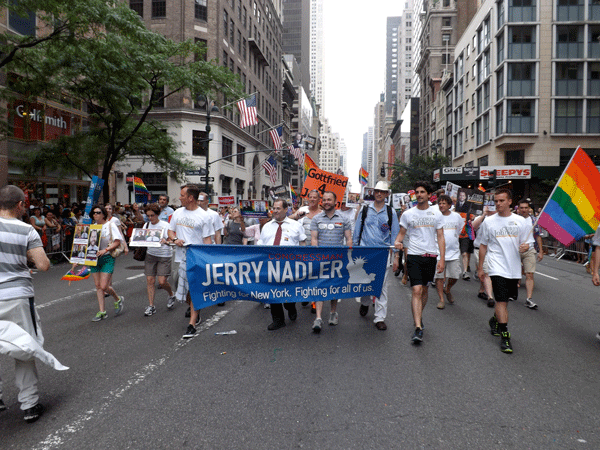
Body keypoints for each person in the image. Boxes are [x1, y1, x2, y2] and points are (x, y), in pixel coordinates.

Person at [0, 185, 51, 422]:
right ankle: (29, 404)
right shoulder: (26, 230)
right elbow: (43, 265)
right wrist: (24, 260)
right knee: (24, 347)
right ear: (20, 205)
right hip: (17, 295)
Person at [477, 189, 529, 353]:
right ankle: (505, 337)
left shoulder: (521, 221)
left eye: (501, 201)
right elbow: (483, 245)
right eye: (496, 201)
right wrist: (480, 267)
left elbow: (528, 243)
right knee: (500, 300)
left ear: (509, 202)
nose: (498, 204)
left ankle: (495, 320)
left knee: (505, 301)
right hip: (495, 265)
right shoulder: (489, 221)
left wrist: (526, 246)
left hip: (513, 267)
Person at [395, 181, 445, 343]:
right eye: (417, 192)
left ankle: (419, 316)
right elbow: (401, 234)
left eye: (422, 192)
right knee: (416, 290)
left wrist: (442, 259)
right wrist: (397, 245)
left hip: (430, 256)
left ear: (429, 195)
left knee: (424, 290)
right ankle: (418, 327)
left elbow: (440, 236)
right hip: (414, 255)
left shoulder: (436, 213)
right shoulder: (408, 214)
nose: (419, 194)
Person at [167, 184, 214, 339]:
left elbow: (207, 239)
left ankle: (192, 323)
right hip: (179, 257)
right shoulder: (177, 213)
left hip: (195, 258)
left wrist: (208, 259)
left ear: (190, 198)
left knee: (193, 289)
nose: (179, 198)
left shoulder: (204, 216)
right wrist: (174, 239)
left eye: (182, 195)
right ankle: (196, 307)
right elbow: (170, 230)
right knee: (178, 287)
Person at [353, 181, 400, 331]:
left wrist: (396, 257)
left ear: (387, 194)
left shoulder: (391, 212)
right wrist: (354, 250)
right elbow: (357, 230)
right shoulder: (365, 210)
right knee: (366, 282)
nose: (379, 193)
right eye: (377, 191)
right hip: (365, 252)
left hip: (383, 253)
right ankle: (365, 302)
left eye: (382, 191)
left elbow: (395, 236)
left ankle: (380, 317)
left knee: (381, 285)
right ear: (373, 192)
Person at [257, 199, 306, 330]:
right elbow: (260, 245)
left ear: (286, 209)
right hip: (270, 265)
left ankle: (291, 306)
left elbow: (302, 244)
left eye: (278, 208)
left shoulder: (295, 225)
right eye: (274, 208)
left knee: (288, 292)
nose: (276, 211)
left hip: (289, 266)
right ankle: (278, 320)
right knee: (273, 292)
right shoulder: (267, 226)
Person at [310, 191, 352, 332]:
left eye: (329, 199)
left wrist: (347, 256)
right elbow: (314, 239)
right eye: (325, 199)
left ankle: (333, 313)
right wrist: (316, 256)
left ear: (335, 202)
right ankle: (318, 318)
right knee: (320, 286)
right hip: (321, 259)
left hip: (338, 260)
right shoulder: (316, 219)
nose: (326, 202)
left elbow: (348, 239)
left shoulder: (344, 218)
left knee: (334, 287)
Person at [89, 205, 125, 322]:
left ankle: (117, 299)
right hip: (94, 259)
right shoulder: (91, 227)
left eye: (98, 212)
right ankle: (102, 311)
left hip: (107, 257)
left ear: (103, 214)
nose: (96, 215)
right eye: (94, 213)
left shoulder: (110, 225)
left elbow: (117, 241)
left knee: (104, 286)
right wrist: (78, 260)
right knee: (98, 286)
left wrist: (105, 250)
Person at [142, 203, 176, 316]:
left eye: (152, 215)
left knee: (162, 281)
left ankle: (171, 294)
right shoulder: (146, 225)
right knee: (150, 280)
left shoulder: (165, 225)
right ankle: (151, 306)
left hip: (164, 255)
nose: (150, 218)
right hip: (151, 254)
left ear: (158, 214)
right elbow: (142, 238)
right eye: (148, 216)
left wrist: (166, 241)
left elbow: (173, 241)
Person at [434, 195, 463, 309]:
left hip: (454, 252)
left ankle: (448, 289)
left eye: (444, 203)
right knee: (439, 276)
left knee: (455, 275)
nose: (441, 205)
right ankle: (441, 299)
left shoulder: (457, 216)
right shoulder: (435, 217)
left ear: (450, 205)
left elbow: (460, 229)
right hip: (438, 251)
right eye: (440, 203)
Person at [516, 199, 543, 309]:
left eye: (526, 207)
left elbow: (538, 236)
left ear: (529, 209)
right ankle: (512, 293)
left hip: (530, 249)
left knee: (529, 274)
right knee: (513, 274)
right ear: (518, 208)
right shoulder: (513, 219)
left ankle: (529, 299)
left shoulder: (534, 220)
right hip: (515, 250)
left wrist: (541, 251)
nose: (523, 210)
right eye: (521, 207)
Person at [472, 208, 496, 308]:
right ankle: (490, 297)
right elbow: (473, 227)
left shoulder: (498, 220)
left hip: (493, 250)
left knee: (487, 272)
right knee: (486, 273)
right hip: (480, 249)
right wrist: (484, 215)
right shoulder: (480, 218)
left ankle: (482, 290)